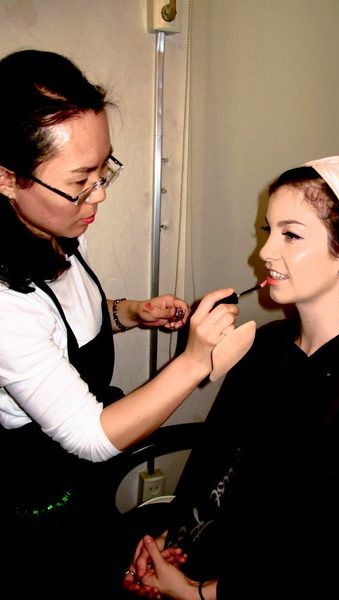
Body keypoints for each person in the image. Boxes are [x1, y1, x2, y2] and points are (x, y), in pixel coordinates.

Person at [0, 48, 239, 597]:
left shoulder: (47, 231)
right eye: (81, 180)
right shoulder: (3, 298)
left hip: (84, 492)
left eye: (104, 168)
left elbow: (61, 330)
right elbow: (88, 435)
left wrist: (129, 313)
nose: (100, 194)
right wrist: (195, 361)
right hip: (38, 513)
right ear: (8, 178)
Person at [123, 155, 339, 600]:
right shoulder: (265, 345)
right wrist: (170, 543)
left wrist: (199, 593)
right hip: (210, 553)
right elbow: (213, 464)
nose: (265, 253)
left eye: (291, 235)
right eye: (269, 231)